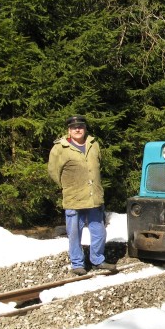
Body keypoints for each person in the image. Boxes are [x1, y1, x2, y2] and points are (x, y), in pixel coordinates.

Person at [48, 115, 116, 276]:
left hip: (94, 197)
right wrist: (68, 187)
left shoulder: (94, 145)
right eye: (73, 127)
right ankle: (77, 263)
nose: (77, 129)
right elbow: (53, 172)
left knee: (99, 230)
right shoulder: (60, 148)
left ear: (85, 128)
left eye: (80, 126)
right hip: (74, 198)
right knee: (74, 232)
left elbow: (97, 165)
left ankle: (98, 259)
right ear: (69, 130)